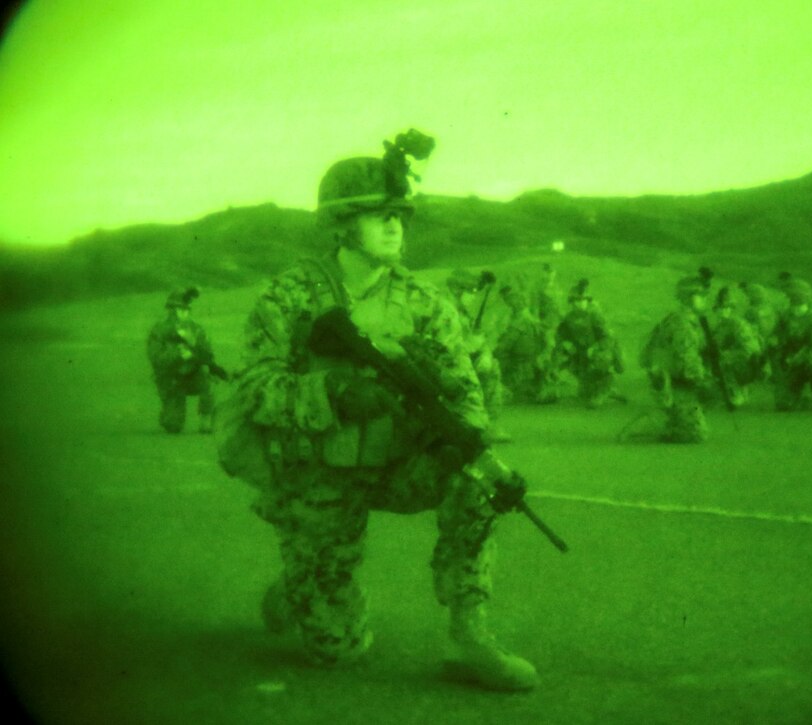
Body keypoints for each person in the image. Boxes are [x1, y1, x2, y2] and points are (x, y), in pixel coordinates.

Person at [217, 135, 539, 691]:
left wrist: (470, 444)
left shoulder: (425, 302)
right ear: (343, 226)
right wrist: (333, 393)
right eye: (378, 216)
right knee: (340, 653)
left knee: (479, 479)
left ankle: (468, 633)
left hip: (396, 465)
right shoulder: (292, 296)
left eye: (399, 216)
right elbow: (255, 388)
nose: (395, 227)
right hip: (318, 474)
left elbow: (467, 392)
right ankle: (302, 581)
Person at [638, 275, 712, 442]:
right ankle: (655, 422)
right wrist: (705, 381)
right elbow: (688, 361)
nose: (704, 300)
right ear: (688, 298)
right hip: (674, 383)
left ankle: (679, 417)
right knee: (696, 434)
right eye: (701, 296)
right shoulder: (682, 324)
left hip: (676, 378)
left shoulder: (688, 320)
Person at [146, 287, 223, 434]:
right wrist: (179, 354)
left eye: (186, 309)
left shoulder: (196, 329)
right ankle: (168, 412)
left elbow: (208, 354)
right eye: (179, 309)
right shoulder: (159, 330)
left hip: (193, 376)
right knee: (173, 426)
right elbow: (156, 359)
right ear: (171, 310)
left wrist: (194, 348)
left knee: (207, 373)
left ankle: (206, 419)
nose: (184, 313)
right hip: (170, 379)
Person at [445, 268, 510, 442]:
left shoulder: (464, 312)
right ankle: (473, 424)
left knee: (491, 368)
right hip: (448, 364)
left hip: (465, 359)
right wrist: (468, 349)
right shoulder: (445, 310)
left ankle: (489, 423)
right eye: (471, 291)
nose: (474, 296)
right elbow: (446, 345)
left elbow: (478, 336)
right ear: (457, 290)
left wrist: (485, 353)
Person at [553, 278, 625, 408]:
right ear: (572, 302)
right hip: (580, 354)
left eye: (582, 300)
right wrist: (565, 343)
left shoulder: (595, 316)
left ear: (587, 301)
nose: (579, 303)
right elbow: (559, 335)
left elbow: (608, 338)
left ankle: (604, 390)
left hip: (598, 352)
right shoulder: (569, 318)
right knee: (584, 393)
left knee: (601, 359)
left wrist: (595, 347)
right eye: (576, 300)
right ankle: (602, 389)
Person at [768, 278, 812, 412]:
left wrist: (796, 359)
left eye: (790, 297)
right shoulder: (785, 317)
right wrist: (775, 345)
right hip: (791, 361)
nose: (788, 300)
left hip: (811, 359)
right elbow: (776, 337)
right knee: (783, 405)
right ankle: (796, 395)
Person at [493, 284, 558, 404]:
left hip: (526, 362)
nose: (510, 302)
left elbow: (505, 345)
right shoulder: (513, 317)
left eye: (513, 298)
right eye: (507, 299)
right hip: (519, 361)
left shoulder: (524, 320)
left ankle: (537, 388)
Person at [708, 284, 762, 408]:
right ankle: (730, 390)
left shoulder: (738, 325)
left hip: (747, 364)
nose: (723, 311)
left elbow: (751, 350)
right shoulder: (718, 327)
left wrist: (729, 355)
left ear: (732, 309)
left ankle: (738, 393)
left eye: (727, 308)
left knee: (722, 361)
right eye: (720, 308)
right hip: (733, 363)